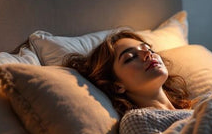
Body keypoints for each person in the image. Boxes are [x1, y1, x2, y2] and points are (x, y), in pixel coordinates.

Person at [64, 29, 192, 116]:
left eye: (149, 49)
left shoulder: (196, 108)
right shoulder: (139, 121)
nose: (148, 54)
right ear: (117, 85)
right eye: (131, 57)